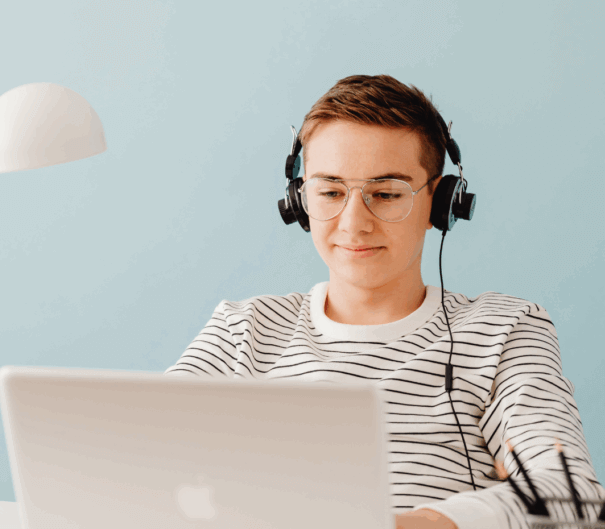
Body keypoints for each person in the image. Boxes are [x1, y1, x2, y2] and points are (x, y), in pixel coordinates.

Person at [164, 75, 604, 529]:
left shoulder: (505, 329)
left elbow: (574, 502)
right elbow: (137, 460)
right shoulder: (245, 329)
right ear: (299, 200)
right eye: (331, 192)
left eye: (387, 194)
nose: (354, 224)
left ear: (441, 203)